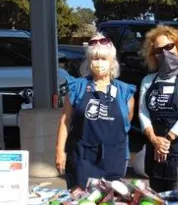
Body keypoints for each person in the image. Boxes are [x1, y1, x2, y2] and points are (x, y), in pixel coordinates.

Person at [56, 32, 136, 188]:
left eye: (103, 59)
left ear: (112, 62)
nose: (99, 63)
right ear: (88, 61)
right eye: (95, 59)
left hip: (114, 159)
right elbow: (66, 119)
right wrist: (59, 151)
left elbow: (127, 121)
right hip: (82, 158)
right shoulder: (76, 87)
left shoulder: (125, 91)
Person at [139, 25, 178, 192]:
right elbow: (143, 112)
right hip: (154, 149)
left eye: (169, 47)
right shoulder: (148, 80)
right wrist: (154, 139)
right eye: (159, 50)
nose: (165, 53)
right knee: (155, 200)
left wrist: (166, 141)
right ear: (153, 55)